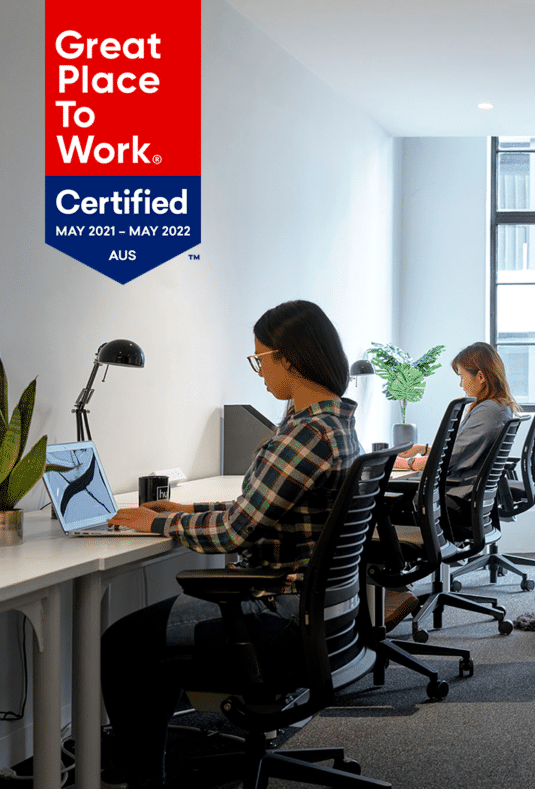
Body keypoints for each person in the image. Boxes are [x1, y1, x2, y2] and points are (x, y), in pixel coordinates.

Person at [100, 300, 360, 789]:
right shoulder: (336, 426)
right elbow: (256, 513)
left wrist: (151, 525)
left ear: (292, 359)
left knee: (123, 643)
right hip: (322, 616)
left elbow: (234, 534)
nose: (260, 371)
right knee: (148, 638)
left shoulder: (304, 437)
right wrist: (183, 513)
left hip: (277, 615)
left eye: (261, 358)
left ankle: (141, 780)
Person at [380, 342, 518, 628]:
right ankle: (393, 590)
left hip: (456, 503)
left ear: (481, 376)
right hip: (465, 500)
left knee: (381, 507)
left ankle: (393, 589)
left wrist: (405, 464)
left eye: (462, 375)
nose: (460, 383)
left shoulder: (487, 410)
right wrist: (423, 448)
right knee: (392, 502)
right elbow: (457, 450)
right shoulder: (496, 408)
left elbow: (451, 459)